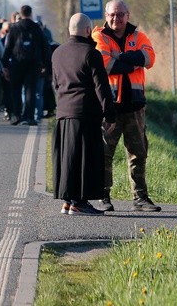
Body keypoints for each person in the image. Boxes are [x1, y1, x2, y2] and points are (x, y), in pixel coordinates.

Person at [92, 0, 161, 212]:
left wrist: (120, 57)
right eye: (112, 14)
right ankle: (103, 197)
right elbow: (105, 65)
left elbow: (149, 59)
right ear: (106, 15)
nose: (116, 18)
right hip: (109, 107)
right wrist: (132, 60)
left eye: (120, 14)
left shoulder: (139, 36)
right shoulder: (98, 36)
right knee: (104, 153)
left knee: (138, 153)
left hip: (135, 107)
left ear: (127, 15)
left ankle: (140, 198)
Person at [52, 13, 116, 215]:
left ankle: (68, 201)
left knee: (68, 159)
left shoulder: (57, 53)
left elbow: (55, 84)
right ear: (88, 30)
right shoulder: (91, 53)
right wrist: (110, 114)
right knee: (85, 159)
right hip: (85, 114)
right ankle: (80, 202)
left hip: (63, 113)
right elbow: (102, 88)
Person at [2, 5, 51, 126]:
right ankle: (29, 117)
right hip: (33, 64)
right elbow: (45, 47)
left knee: (16, 90)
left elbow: (8, 47)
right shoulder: (36, 27)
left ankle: (17, 115)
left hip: (16, 63)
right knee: (31, 90)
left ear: (21, 13)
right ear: (31, 13)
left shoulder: (14, 28)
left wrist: (5, 65)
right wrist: (46, 65)